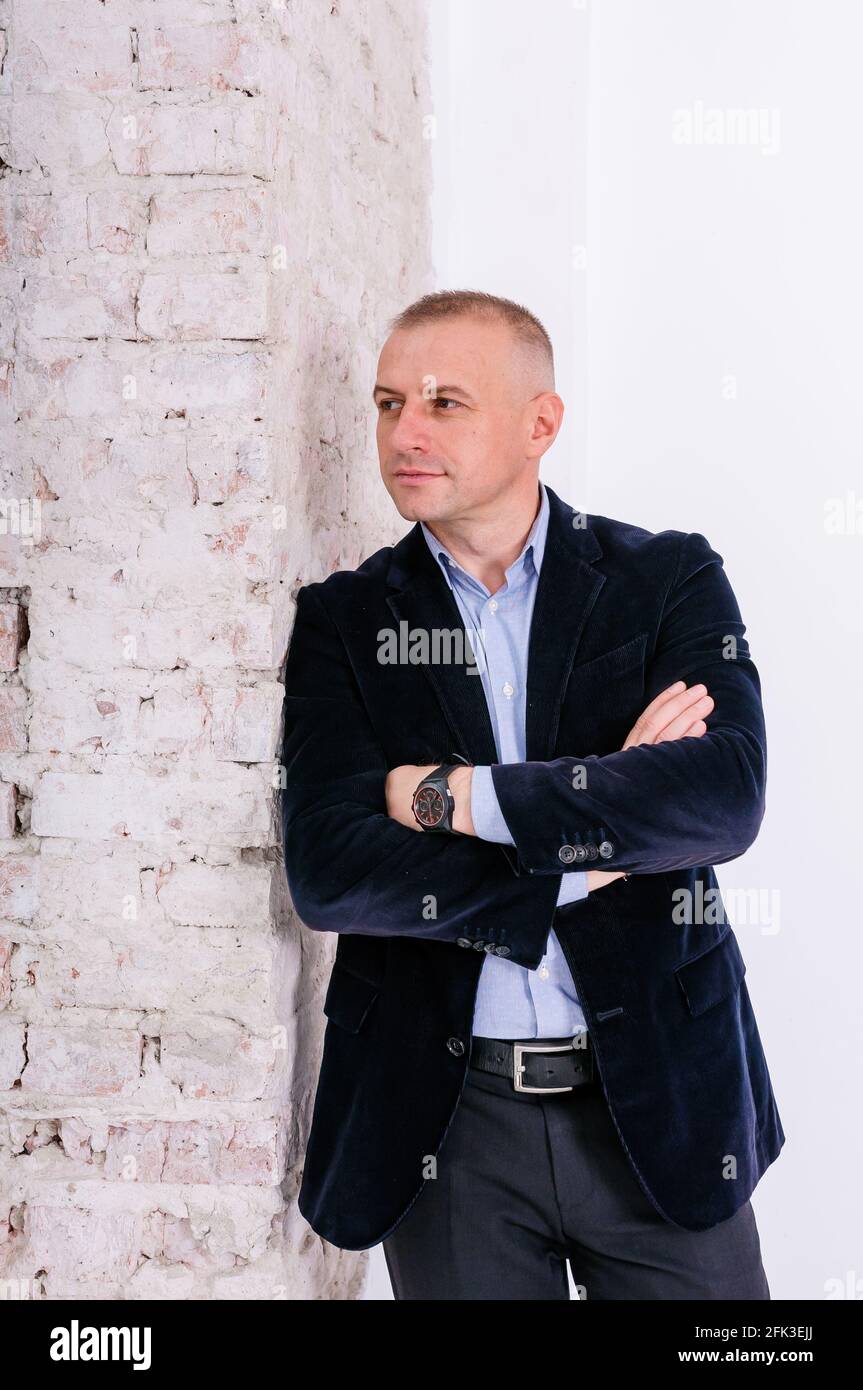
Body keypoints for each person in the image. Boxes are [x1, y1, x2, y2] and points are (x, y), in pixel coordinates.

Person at [279, 289, 784, 1299]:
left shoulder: (665, 581)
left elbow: (720, 800)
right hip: (448, 1124)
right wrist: (581, 853)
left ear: (537, 423)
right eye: (385, 405)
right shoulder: (344, 620)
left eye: (442, 403)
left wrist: (451, 796)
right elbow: (332, 872)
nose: (402, 434)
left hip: (656, 1107)